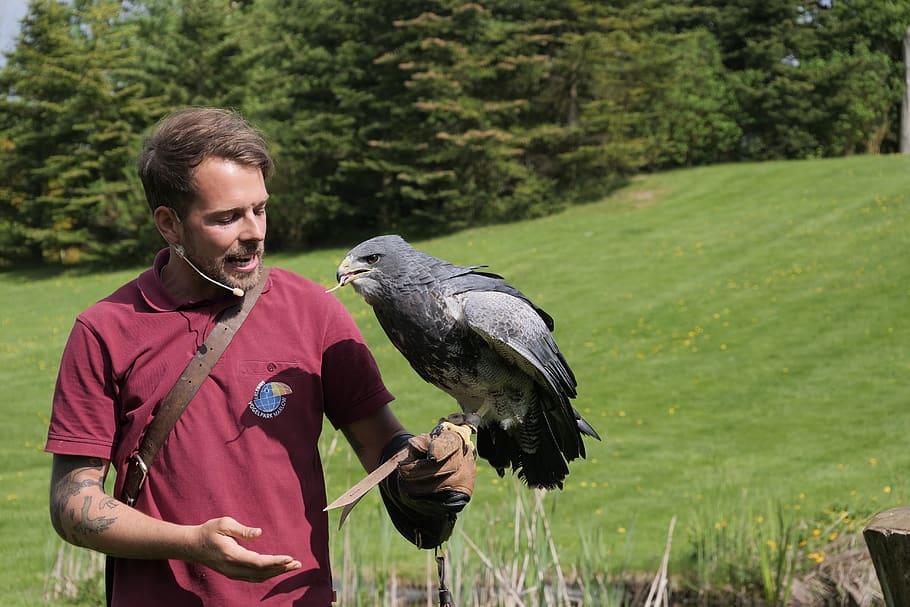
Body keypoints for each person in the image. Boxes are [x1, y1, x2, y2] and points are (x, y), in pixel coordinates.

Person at [46, 107, 476, 606]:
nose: (254, 232)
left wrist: (426, 472)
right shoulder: (105, 330)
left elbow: (382, 447)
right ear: (169, 224)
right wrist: (190, 544)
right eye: (227, 218)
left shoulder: (313, 311)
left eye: (260, 209)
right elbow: (72, 502)